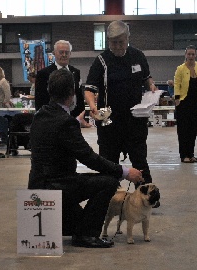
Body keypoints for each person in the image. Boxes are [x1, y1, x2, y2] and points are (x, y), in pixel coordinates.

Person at [28, 69, 144, 248]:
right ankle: (87, 236)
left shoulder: (40, 115)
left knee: (77, 221)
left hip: (37, 186)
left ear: (49, 90)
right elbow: (89, 158)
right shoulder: (66, 122)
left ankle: (73, 227)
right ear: (72, 93)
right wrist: (125, 172)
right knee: (108, 182)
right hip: (58, 187)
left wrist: (74, 121)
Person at [84, 20, 157, 187]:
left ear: (128, 38)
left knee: (139, 160)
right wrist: (92, 105)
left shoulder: (138, 56)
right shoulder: (101, 61)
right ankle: (108, 196)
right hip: (109, 122)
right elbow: (89, 89)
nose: (116, 46)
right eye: (113, 42)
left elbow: (147, 78)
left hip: (135, 120)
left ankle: (146, 194)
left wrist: (151, 86)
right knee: (108, 162)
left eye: (120, 42)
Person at [34, 40, 90, 127]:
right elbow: (39, 100)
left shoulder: (76, 72)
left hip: (74, 120)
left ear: (70, 54)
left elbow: (79, 97)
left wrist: (82, 118)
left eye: (66, 52)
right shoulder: (43, 74)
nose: (64, 55)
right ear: (54, 53)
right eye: (61, 52)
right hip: (52, 121)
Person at [173, 45, 197, 163]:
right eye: (189, 54)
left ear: (196, 55)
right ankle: (184, 155)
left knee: (193, 130)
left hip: (196, 103)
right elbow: (177, 84)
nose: (191, 56)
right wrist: (177, 98)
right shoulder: (180, 68)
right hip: (183, 103)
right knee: (183, 130)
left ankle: (191, 154)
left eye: (193, 54)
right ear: (185, 55)